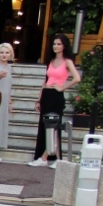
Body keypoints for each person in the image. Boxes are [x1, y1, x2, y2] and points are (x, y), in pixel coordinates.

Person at [29, 32, 80, 168]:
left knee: (54, 126)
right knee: (44, 126)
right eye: (54, 44)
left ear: (64, 46)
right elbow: (45, 81)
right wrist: (39, 100)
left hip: (56, 96)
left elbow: (77, 78)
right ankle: (56, 159)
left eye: (59, 44)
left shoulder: (67, 61)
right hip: (46, 94)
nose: (55, 46)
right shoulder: (51, 61)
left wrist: (63, 88)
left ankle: (44, 157)